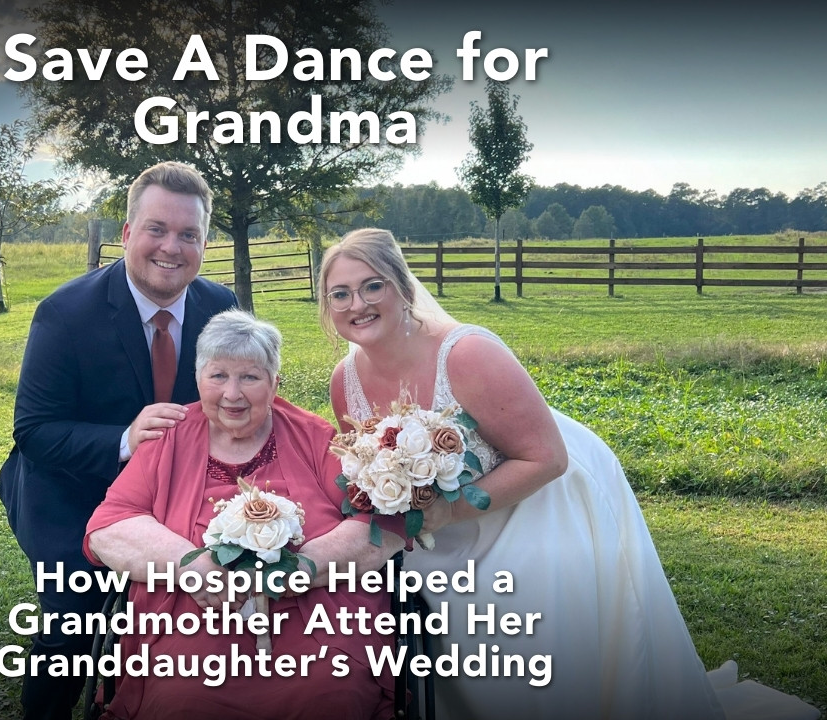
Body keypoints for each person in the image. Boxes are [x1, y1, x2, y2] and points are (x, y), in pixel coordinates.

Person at [318, 228, 820, 720]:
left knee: (529, 639)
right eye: (340, 293)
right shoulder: (346, 380)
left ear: (403, 288)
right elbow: (367, 473)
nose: (356, 304)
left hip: (534, 501)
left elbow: (546, 459)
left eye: (372, 285)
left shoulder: (467, 353)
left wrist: (449, 511)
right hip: (439, 529)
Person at [0, 161, 238, 720]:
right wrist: (125, 439)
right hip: (68, 494)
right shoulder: (64, 313)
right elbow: (34, 432)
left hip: (171, 496)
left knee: (187, 619)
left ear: (205, 242)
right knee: (72, 636)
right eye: (156, 229)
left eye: (188, 234)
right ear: (127, 234)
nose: (171, 248)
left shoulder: (219, 306)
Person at [84, 310, 405, 720]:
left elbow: (383, 524)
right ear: (199, 379)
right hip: (194, 617)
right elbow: (109, 526)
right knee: (183, 703)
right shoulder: (168, 437)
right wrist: (193, 566)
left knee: (329, 697)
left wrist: (301, 567)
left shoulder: (316, 439)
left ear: (274, 383)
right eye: (218, 376)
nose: (232, 394)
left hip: (315, 616)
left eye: (250, 377)